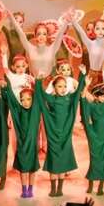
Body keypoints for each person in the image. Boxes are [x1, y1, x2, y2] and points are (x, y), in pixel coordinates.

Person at [35, 67, 87, 196]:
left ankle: (60, 189)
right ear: (54, 88)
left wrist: (82, 75)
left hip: (66, 132)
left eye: (64, 86)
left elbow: (78, 91)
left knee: (63, 160)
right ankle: (53, 188)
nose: (63, 89)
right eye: (59, 86)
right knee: (54, 160)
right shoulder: (51, 99)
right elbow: (40, 96)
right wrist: (38, 81)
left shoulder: (69, 97)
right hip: (53, 132)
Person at [0, 81, 41, 198]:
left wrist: (38, 82)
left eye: (28, 99)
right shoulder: (18, 110)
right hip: (22, 145)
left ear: (33, 100)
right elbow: (11, 99)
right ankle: (24, 189)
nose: (25, 102)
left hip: (32, 146)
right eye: (22, 100)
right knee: (23, 168)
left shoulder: (35, 110)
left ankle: (30, 189)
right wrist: (5, 87)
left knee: (32, 168)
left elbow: (38, 96)